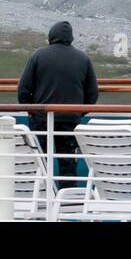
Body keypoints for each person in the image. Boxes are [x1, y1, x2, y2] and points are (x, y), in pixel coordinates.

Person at [17, 21, 99, 186]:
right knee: (67, 161)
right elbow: (92, 94)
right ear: (71, 38)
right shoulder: (83, 58)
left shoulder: (38, 56)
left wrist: (32, 110)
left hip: (42, 118)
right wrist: (77, 112)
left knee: (40, 161)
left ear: (51, 36)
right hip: (70, 119)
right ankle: (66, 200)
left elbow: (23, 89)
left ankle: (40, 196)